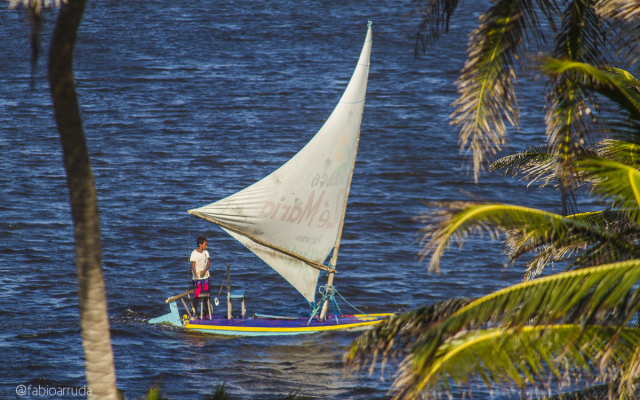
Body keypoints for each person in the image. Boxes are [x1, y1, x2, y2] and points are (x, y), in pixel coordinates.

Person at [190, 235, 210, 317]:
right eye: (205, 244)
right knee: (197, 295)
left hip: (205, 277)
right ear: (200, 245)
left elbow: (208, 264)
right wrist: (196, 274)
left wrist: (204, 271)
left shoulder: (206, 252)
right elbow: (193, 265)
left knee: (206, 294)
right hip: (197, 277)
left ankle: (207, 312)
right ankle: (195, 312)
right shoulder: (194, 253)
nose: (206, 246)